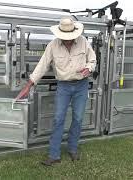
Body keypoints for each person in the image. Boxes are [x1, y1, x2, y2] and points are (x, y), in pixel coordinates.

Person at [15, 17, 96, 166]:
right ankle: (54, 155)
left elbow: (92, 59)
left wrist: (89, 68)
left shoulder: (83, 42)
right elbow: (42, 65)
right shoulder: (53, 45)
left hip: (81, 85)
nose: (67, 40)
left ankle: (72, 149)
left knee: (78, 119)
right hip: (63, 86)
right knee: (58, 119)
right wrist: (29, 84)